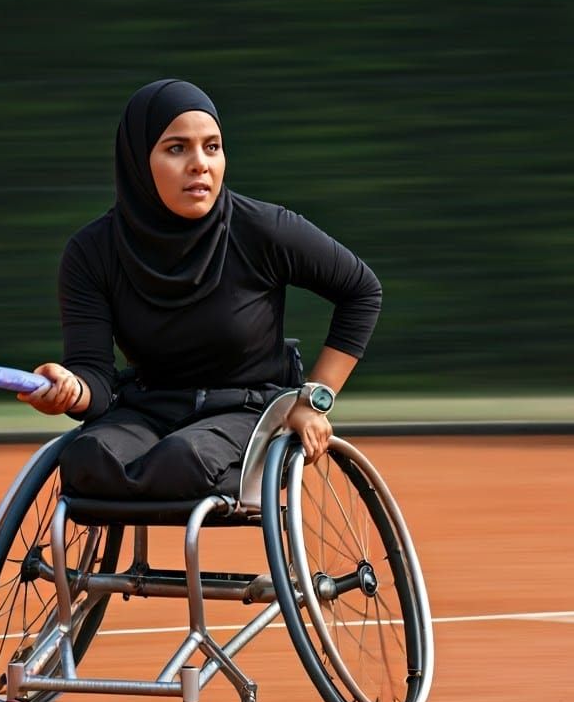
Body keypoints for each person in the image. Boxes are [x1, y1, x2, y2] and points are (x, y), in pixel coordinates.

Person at [19, 78, 382, 501]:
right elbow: (96, 382)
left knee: (182, 459)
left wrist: (313, 400)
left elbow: (362, 290)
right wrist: (70, 389)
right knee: (86, 458)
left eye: (212, 147)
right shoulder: (91, 252)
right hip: (147, 410)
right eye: (177, 149)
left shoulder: (264, 229)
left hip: (249, 412)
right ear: (138, 161)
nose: (200, 164)